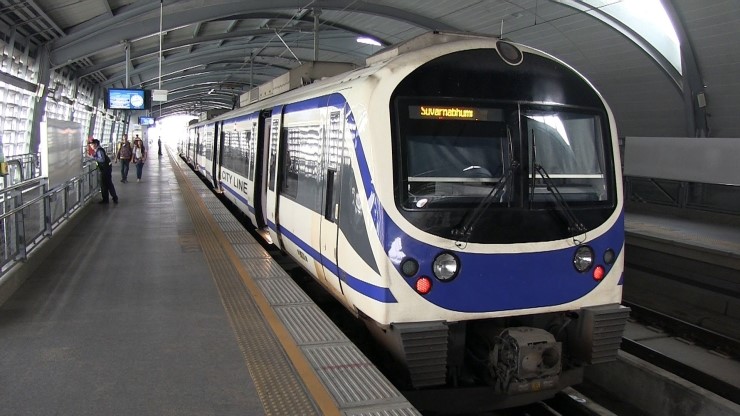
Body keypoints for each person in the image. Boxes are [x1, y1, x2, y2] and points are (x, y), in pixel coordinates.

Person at [89, 139, 118, 204]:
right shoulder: (99, 150)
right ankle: (114, 197)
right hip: (107, 169)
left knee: (104, 184)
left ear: (96, 144)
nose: (91, 146)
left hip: (105, 170)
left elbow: (102, 160)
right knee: (108, 183)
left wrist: (93, 158)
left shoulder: (99, 150)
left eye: (91, 145)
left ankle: (106, 199)